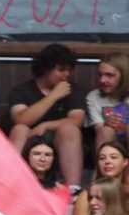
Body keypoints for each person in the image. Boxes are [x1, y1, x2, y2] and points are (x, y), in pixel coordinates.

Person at [7, 43, 86, 188]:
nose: (66, 75)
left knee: (69, 129)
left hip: (59, 141)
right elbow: (20, 118)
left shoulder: (73, 90)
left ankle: (73, 188)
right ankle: (11, 185)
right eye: (61, 70)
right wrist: (53, 96)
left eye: (69, 70)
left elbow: (77, 120)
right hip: (30, 140)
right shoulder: (22, 91)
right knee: (19, 129)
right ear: (45, 69)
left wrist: (45, 125)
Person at [86, 52, 129, 149]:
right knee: (106, 130)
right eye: (100, 75)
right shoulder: (93, 97)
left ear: (124, 76)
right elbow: (99, 131)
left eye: (109, 75)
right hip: (109, 145)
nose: (102, 80)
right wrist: (107, 124)